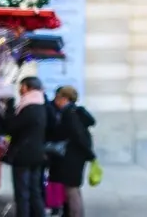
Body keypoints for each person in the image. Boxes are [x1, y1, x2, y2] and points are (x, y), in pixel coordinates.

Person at [0, 76, 49, 217]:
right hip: (38, 154)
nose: (19, 90)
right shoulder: (42, 104)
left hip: (23, 155)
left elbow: (11, 127)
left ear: (27, 87)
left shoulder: (28, 107)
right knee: (35, 192)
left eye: (21, 86)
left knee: (22, 193)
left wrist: (9, 107)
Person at [47, 85, 96, 217]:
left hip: (72, 158)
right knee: (72, 190)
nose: (56, 101)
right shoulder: (75, 112)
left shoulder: (69, 113)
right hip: (76, 157)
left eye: (58, 98)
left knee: (71, 191)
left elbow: (77, 135)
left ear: (64, 98)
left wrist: (90, 155)